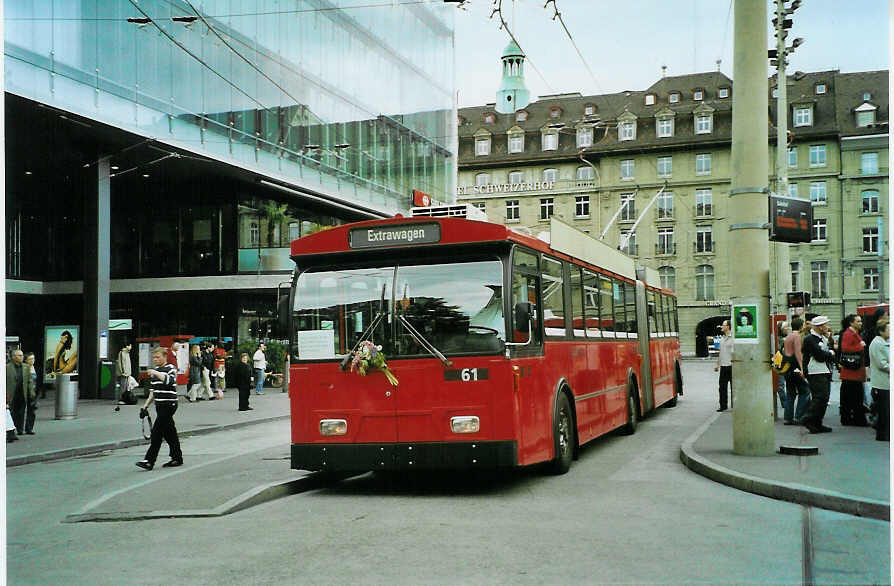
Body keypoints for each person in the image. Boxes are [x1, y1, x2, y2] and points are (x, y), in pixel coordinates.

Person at [136, 347, 183, 470]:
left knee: (156, 432)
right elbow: (153, 391)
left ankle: (149, 460)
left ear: (164, 357)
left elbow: (169, 381)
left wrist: (155, 373)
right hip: (160, 405)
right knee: (169, 433)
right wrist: (145, 405)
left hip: (169, 404)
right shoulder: (156, 371)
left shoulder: (170, 368)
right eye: (154, 357)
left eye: (158, 357)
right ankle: (177, 457)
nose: (155, 359)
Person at [801, 315, 836, 434]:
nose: (827, 327)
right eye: (825, 324)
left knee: (824, 398)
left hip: (823, 370)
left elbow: (828, 351)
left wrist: (829, 350)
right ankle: (809, 419)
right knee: (820, 397)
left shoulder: (821, 338)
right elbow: (820, 356)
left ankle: (817, 423)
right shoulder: (810, 339)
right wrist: (830, 354)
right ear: (820, 327)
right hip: (815, 371)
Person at [838, 314, 868, 426]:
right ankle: (858, 419)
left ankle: (849, 418)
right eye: (858, 321)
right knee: (856, 396)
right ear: (852, 323)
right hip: (852, 371)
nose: (860, 323)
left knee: (850, 396)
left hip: (852, 371)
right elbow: (845, 348)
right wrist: (860, 346)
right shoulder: (849, 334)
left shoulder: (852, 333)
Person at [782, 316, 810, 424]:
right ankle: (798, 416)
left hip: (787, 366)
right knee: (805, 391)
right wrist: (802, 368)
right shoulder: (797, 336)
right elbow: (798, 353)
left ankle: (788, 417)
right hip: (795, 366)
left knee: (790, 393)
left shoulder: (788, 337)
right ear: (800, 326)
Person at [6, 349, 36, 436]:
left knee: (21, 412)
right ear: (13, 357)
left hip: (22, 392)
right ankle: (11, 430)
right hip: (11, 393)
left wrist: (31, 393)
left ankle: (20, 430)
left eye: (22, 355)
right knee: (12, 412)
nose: (22, 357)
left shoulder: (26, 367)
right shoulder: (7, 367)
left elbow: (29, 381)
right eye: (19, 356)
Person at [869, 321, 890, 441]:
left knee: (885, 410)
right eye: (888, 329)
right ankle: (883, 434)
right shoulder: (878, 344)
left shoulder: (883, 342)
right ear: (881, 331)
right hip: (882, 382)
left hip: (885, 382)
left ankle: (884, 433)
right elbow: (882, 364)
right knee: (884, 411)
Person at [713, 319, 733, 412]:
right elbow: (720, 353)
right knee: (722, 387)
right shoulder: (722, 339)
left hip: (732, 366)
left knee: (734, 387)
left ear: (728, 327)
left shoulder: (733, 338)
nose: (721, 326)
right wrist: (717, 365)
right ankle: (723, 405)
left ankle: (735, 405)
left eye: (723, 325)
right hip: (724, 366)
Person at [775, 321, 790, 416]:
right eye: (786, 327)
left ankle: (786, 403)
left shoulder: (784, 338)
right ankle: (785, 403)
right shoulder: (780, 340)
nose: (787, 329)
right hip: (781, 364)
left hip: (785, 364)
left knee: (783, 385)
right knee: (781, 385)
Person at [23, 353, 40, 435]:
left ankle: (29, 428)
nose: (32, 361)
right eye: (30, 359)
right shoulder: (23, 368)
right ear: (26, 360)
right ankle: (18, 428)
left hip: (33, 392)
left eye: (33, 359)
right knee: (20, 410)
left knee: (32, 411)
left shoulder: (35, 368)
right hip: (24, 391)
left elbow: (38, 381)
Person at [115, 341, 132, 408]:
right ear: (127, 346)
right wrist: (123, 372)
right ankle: (121, 399)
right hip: (124, 373)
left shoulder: (127, 353)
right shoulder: (122, 353)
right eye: (130, 345)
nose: (131, 347)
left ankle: (125, 399)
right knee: (122, 387)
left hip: (127, 372)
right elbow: (121, 363)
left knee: (126, 387)